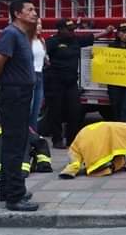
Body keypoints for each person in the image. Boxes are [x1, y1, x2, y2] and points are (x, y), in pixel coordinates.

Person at [0, 0, 40, 211]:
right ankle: (14, 196)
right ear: (17, 14)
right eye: (29, 9)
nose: (34, 13)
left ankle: (6, 189)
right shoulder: (10, 34)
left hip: (21, 93)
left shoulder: (22, 34)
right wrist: (7, 83)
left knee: (16, 143)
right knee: (15, 145)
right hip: (13, 94)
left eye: (34, 9)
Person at [44, 18, 114, 148]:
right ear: (60, 30)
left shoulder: (75, 40)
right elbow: (39, 53)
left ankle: (72, 140)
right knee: (56, 112)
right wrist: (46, 62)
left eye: (73, 29)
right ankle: (57, 140)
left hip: (71, 83)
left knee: (75, 112)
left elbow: (91, 37)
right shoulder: (52, 42)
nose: (72, 32)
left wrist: (106, 31)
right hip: (55, 83)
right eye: (69, 29)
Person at [29, 18, 47, 132]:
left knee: (36, 109)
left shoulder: (42, 41)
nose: (39, 26)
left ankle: (33, 136)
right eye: (36, 24)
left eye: (40, 24)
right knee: (28, 109)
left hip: (40, 75)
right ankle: (24, 137)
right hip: (30, 76)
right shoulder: (26, 41)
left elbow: (44, 59)